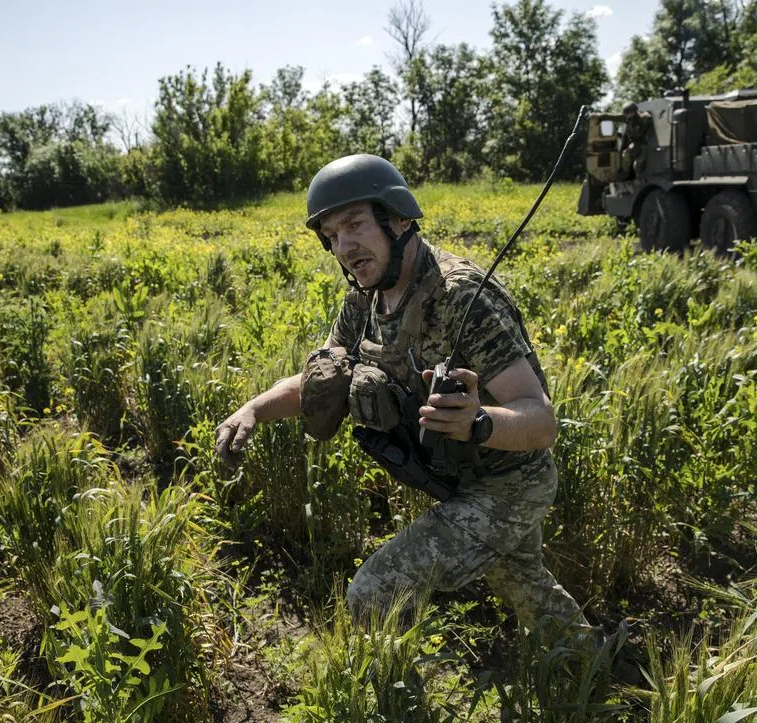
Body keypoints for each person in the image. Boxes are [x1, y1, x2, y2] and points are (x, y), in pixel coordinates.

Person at [214, 154, 594, 640]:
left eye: (354, 225)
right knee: (523, 583)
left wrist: (480, 421)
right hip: (455, 478)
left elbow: (540, 422)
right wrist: (254, 409)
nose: (345, 247)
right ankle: (592, 660)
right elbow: (323, 379)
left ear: (397, 219)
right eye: (331, 237)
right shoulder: (365, 298)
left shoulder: (462, 297)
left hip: (510, 482)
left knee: (374, 593)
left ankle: (397, 707)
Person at [620, 102, 652, 179]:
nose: (627, 115)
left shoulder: (644, 118)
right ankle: (626, 173)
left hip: (645, 144)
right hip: (636, 144)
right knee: (625, 155)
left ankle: (638, 178)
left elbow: (646, 128)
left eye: (628, 113)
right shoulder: (629, 121)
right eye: (626, 114)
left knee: (637, 165)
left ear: (634, 111)